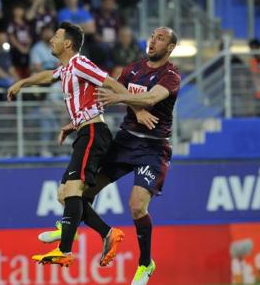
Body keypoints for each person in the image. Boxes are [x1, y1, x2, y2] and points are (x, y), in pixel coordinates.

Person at [38, 27, 180, 284]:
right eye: (151, 36)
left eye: (160, 39)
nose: (152, 41)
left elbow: (151, 98)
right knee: (79, 192)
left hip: (153, 148)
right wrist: (78, 121)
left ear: (169, 48)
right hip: (125, 141)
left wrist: (123, 99)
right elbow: (105, 95)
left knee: (137, 207)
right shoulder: (133, 69)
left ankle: (145, 263)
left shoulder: (171, 75)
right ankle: (73, 227)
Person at [7, 21, 128, 267]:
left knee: (72, 190)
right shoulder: (66, 69)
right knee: (65, 195)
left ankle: (65, 249)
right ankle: (107, 233)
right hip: (84, 132)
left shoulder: (81, 63)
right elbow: (46, 77)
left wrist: (134, 106)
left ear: (68, 43)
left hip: (94, 132)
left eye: (56, 36)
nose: (51, 40)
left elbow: (112, 84)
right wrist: (23, 82)